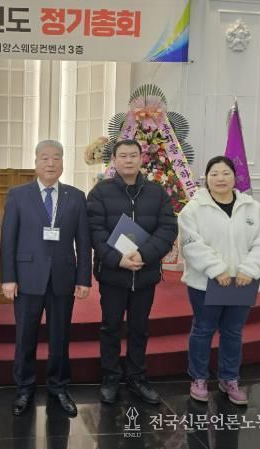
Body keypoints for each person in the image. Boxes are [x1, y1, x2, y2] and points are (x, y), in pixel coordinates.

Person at [1, 139, 91, 417]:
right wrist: (8, 278)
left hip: (63, 277)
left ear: (63, 162)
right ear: (36, 162)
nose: (50, 163)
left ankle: (58, 387)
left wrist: (84, 278)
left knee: (60, 337)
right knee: (25, 336)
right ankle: (24, 388)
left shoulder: (76, 196)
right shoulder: (18, 195)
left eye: (56, 158)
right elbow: (8, 239)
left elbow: (83, 241)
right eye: (45, 158)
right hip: (27, 277)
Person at [87, 139, 177, 405]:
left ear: (141, 159)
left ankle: (137, 377)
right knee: (111, 326)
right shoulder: (100, 192)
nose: (128, 160)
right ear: (114, 160)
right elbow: (95, 231)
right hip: (113, 274)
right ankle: (110, 377)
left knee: (139, 328)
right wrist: (118, 259)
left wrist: (144, 255)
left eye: (133, 155)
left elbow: (168, 228)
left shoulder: (156, 192)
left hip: (145, 273)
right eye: (123, 156)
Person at [178, 156, 260, 405]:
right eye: (214, 174)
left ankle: (230, 379)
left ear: (235, 177)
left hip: (242, 282)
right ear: (206, 178)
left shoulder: (254, 209)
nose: (220, 178)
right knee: (203, 329)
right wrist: (216, 269)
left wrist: (250, 269)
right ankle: (198, 378)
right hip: (206, 283)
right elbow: (190, 244)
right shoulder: (193, 209)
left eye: (225, 173)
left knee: (233, 332)